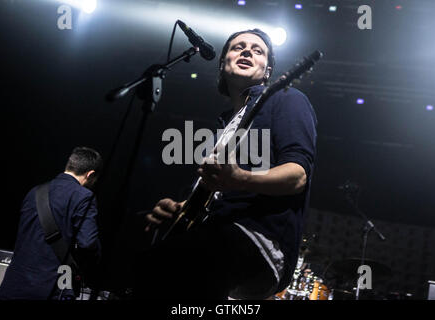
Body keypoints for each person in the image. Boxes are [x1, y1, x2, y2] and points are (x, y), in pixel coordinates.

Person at [134, 28, 317, 300]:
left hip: (259, 242)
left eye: (257, 50)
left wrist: (240, 178)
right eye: (238, 47)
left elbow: (297, 176)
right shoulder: (222, 126)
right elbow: (213, 195)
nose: (246, 51)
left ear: (268, 72)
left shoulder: (287, 99)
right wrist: (180, 210)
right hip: (210, 234)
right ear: (223, 65)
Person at [0, 147, 103, 300]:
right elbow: (88, 243)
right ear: (90, 174)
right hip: (53, 285)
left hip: (14, 283)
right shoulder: (83, 196)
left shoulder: (34, 192)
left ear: (70, 166)